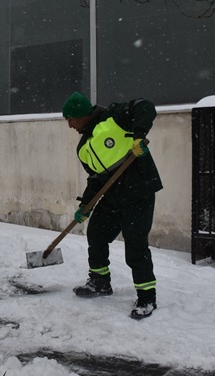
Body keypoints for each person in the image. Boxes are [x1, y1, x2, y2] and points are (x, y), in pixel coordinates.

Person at [62, 91, 163, 319]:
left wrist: (138, 136)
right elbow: (95, 178)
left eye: (71, 119)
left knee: (135, 245)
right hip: (113, 196)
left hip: (138, 191)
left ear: (82, 114)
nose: (70, 125)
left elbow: (145, 106)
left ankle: (147, 297)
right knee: (96, 234)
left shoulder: (114, 117)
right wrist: (85, 206)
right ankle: (100, 281)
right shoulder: (83, 147)